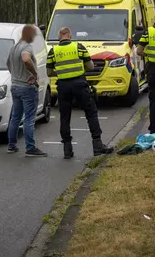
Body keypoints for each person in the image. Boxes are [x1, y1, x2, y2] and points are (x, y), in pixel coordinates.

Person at [47, 27, 114, 158]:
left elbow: (49, 72)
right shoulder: (79, 47)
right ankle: (97, 145)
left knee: (65, 116)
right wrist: (78, 69)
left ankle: (67, 149)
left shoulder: (53, 51)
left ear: (59, 36)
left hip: (63, 86)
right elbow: (90, 66)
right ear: (70, 35)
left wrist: (61, 72)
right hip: (79, 84)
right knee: (91, 112)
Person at [6, 25, 47, 157]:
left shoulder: (13, 48)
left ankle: (11, 145)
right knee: (29, 118)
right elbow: (25, 59)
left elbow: (7, 63)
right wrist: (34, 73)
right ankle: (30, 147)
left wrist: (15, 76)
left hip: (15, 86)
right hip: (27, 87)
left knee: (15, 117)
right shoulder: (26, 47)